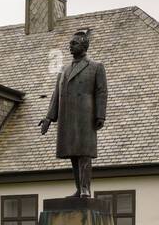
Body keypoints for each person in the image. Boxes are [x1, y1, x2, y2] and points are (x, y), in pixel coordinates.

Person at [38, 30, 108, 198]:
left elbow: (101, 92)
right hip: (67, 117)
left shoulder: (95, 67)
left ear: (84, 45)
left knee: (84, 153)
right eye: (70, 43)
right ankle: (79, 188)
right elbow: (57, 94)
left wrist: (100, 115)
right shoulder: (64, 70)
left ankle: (85, 189)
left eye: (74, 43)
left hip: (85, 115)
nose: (70, 45)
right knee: (73, 154)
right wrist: (49, 118)